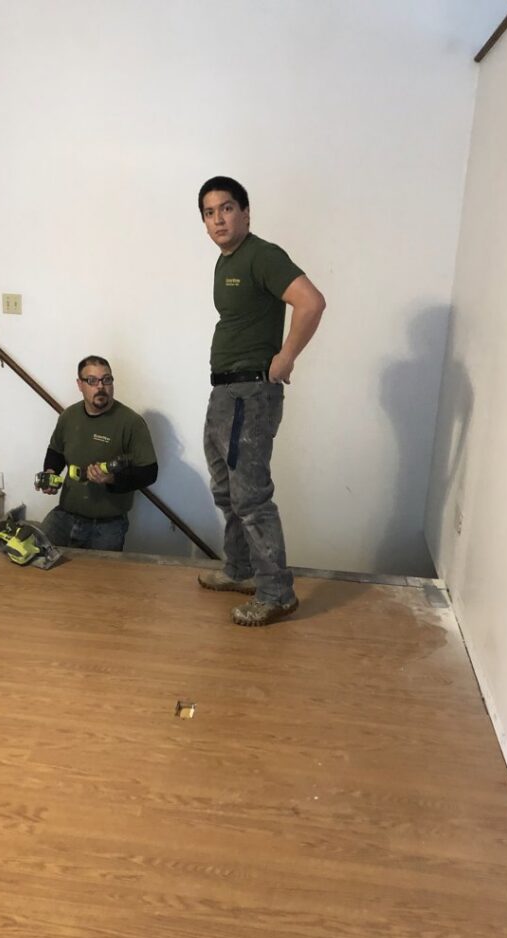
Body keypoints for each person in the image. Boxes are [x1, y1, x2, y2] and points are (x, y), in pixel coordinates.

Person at [196, 176, 326, 626]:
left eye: (227, 208)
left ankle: (276, 593)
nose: (219, 219)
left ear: (246, 213)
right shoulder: (224, 261)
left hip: (250, 393)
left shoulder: (262, 255)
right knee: (224, 488)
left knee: (250, 496)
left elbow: (311, 302)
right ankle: (240, 569)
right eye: (210, 213)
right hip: (225, 390)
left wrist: (286, 357)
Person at [37, 356, 158, 551]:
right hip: (65, 515)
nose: (100, 386)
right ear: (80, 385)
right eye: (92, 381)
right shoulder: (69, 416)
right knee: (37, 559)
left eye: (106, 380)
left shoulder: (131, 423)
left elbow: (150, 473)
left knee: (101, 580)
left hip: (107, 526)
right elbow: (56, 451)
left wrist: (112, 479)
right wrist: (50, 472)